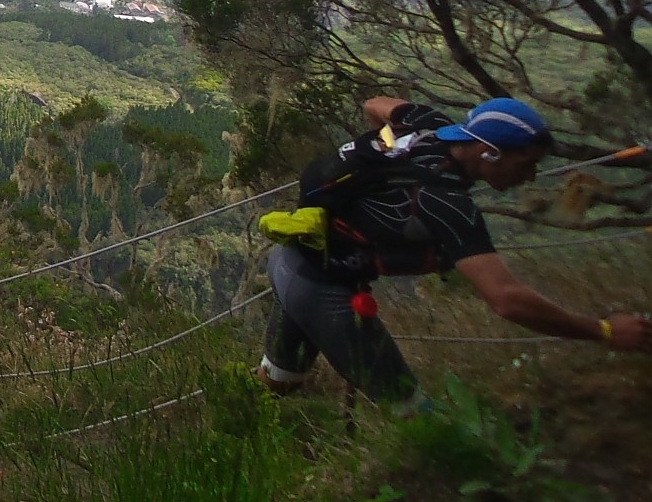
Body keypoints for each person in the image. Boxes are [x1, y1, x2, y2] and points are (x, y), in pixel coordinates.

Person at [256, 96, 650, 403]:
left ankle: (246, 426)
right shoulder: (445, 204)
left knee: (278, 383)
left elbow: (374, 103)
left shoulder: (430, 124)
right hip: (323, 288)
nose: (529, 177)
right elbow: (507, 300)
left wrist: (385, 158)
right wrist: (602, 330)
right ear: (489, 153)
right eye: (524, 164)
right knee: (412, 414)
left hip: (292, 260)